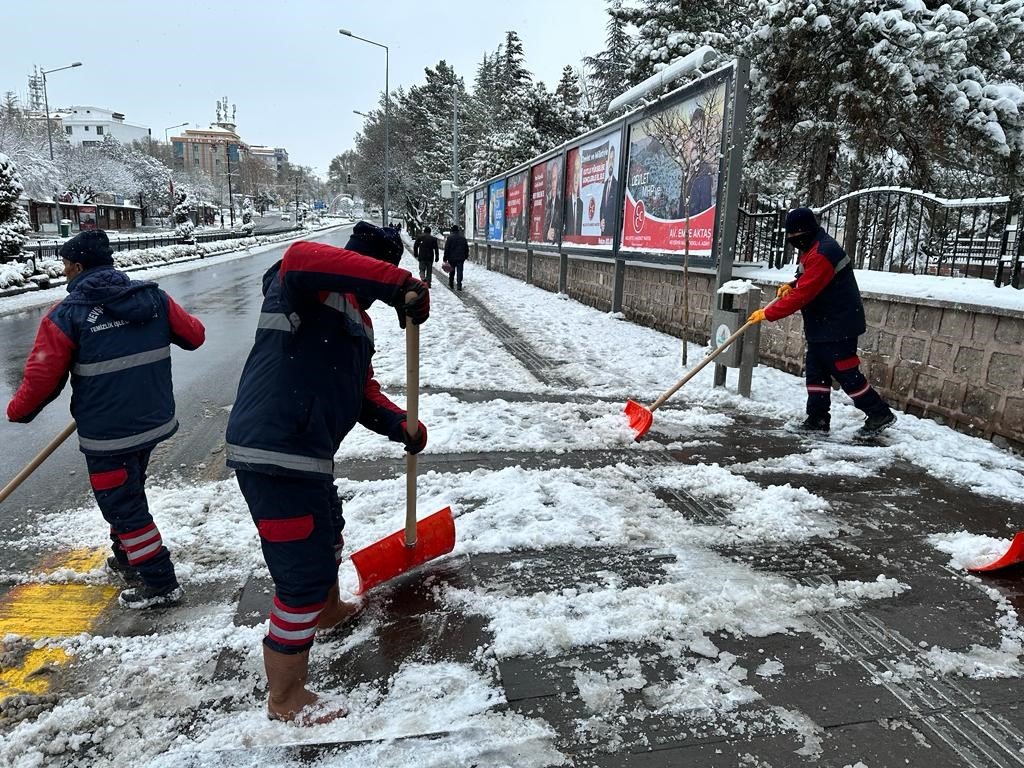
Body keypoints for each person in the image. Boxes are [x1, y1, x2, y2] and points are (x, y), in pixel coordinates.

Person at [225, 221, 430, 724]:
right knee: (300, 576)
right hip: (275, 451)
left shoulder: (359, 320)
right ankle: (285, 699)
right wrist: (396, 282)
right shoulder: (302, 282)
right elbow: (299, 256)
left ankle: (330, 609)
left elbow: (360, 390)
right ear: (366, 265)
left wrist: (399, 424)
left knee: (328, 536)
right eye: (379, 274)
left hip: (308, 454)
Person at [6, 230, 206, 608]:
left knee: (124, 507)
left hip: (108, 435)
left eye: (66, 265)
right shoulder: (152, 298)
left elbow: (42, 380)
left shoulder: (67, 315)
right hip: (152, 420)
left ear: (78, 267)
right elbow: (194, 336)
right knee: (128, 492)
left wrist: (18, 412)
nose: (64, 272)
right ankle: (130, 558)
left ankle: (160, 582)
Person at [747, 207, 896, 437]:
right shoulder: (812, 247)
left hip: (838, 324)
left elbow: (804, 294)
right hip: (823, 323)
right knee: (816, 371)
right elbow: (806, 282)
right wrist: (793, 284)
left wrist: (768, 313)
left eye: (794, 238)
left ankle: (879, 414)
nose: (793, 243)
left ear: (805, 232)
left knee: (845, 372)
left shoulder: (822, 253)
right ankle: (817, 418)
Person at [599, 145, 619, 236]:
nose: (611, 163)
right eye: (609, 160)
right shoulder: (606, 183)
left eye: (612, 159)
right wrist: (601, 219)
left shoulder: (617, 184)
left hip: (612, 231)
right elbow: (603, 205)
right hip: (604, 229)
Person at [443, 224, 469, 291]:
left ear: (452, 230)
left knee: (452, 271)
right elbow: (466, 248)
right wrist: (466, 256)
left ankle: (451, 283)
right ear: (458, 230)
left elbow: (447, 248)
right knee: (460, 271)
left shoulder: (449, 238)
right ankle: (459, 284)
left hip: (451, 258)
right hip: (460, 258)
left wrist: (445, 257)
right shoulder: (463, 238)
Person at [566, 155, 583, 237]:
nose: (576, 181)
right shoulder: (566, 203)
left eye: (578, 177)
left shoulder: (581, 203)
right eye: (574, 177)